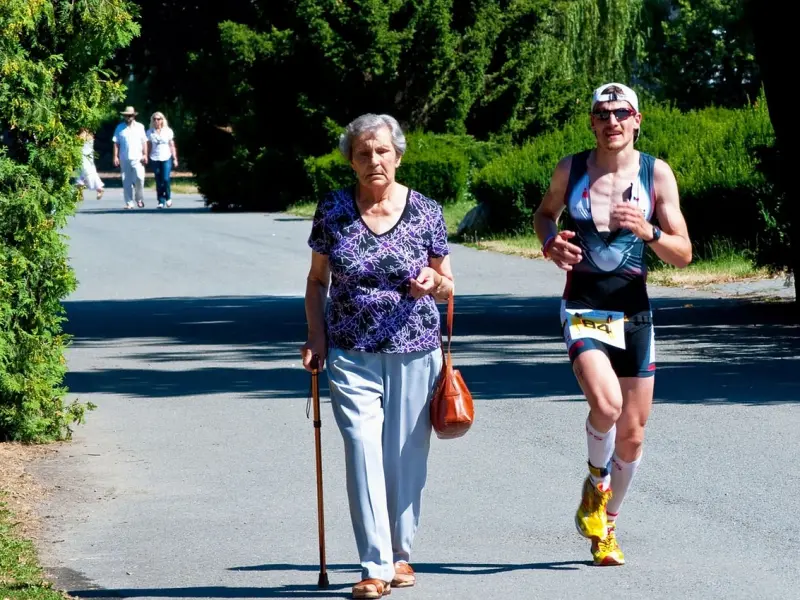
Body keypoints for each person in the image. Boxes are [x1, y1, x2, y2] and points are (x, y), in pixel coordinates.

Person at [533, 83, 692, 566]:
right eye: (602, 114)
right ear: (592, 122)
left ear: (637, 119)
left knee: (634, 433)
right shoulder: (572, 168)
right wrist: (549, 243)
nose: (612, 122)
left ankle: (606, 524)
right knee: (607, 405)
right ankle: (596, 480)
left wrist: (650, 231)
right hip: (586, 309)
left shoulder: (655, 174)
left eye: (621, 113)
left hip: (635, 313)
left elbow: (683, 254)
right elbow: (544, 214)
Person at [301, 113, 454, 599]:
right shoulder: (333, 210)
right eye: (363, 153)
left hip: (415, 348)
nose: (374, 161)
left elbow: (449, 286)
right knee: (361, 447)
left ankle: (400, 552)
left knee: (406, 457)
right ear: (351, 161)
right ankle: (375, 564)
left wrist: (435, 283)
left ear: (398, 155)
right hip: (350, 350)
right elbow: (316, 280)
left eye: (382, 151)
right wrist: (315, 335)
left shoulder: (426, 210)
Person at [112, 106, 148, 209]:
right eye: (126, 115)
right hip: (125, 158)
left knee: (140, 178)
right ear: (124, 116)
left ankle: (139, 198)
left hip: (138, 158)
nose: (128, 117)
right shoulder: (120, 128)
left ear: (134, 116)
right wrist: (115, 156)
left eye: (130, 115)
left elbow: (144, 141)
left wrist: (145, 154)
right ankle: (129, 202)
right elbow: (116, 143)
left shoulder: (140, 127)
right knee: (126, 181)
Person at [146, 111, 179, 208]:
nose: (156, 121)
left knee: (165, 178)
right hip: (155, 157)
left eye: (158, 119)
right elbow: (148, 146)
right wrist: (146, 156)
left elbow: (172, 145)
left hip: (166, 157)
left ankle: (168, 197)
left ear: (162, 120)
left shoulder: (168, 131)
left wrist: (175, 158)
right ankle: (161, 200)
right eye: (154, 119)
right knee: (158, 179)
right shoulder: (149, 132)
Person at [76, 128, 104, 200]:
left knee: (86, 173)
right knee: (85, 173)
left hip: (85, 157)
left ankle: (98, 189)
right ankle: (98, 189)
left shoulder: (84, 136)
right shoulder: (90, 135)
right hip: (85, 157)